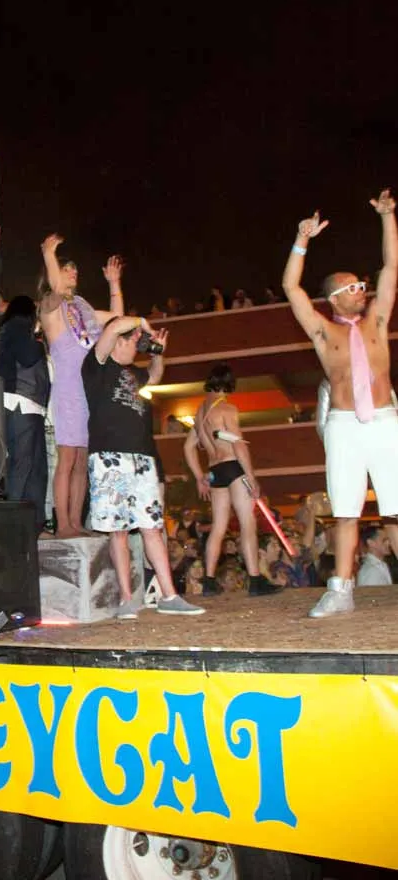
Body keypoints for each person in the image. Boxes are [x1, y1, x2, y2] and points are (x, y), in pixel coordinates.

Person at [282, 189, 398, 617]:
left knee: (396, 509)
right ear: (334, 297)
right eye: (353, 288)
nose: (362, 291)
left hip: (384, 420)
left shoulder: (377, 320)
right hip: (344, 424)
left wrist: (387, 217)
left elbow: (391, 267)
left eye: (362, 286)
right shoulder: (322, 331)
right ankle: (341, 590)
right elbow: (290, 286)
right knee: (346, 510)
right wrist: (302, 240)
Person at [81, 313, 205, 617]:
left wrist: (157, 351)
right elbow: (113, 327)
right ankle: (126, 600)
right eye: (132, 342)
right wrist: (141, 324)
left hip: (142, 458)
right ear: (117, 342)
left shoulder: (133, 373)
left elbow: (156, 374)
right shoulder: (96, 365)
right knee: (119, 531)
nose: (136, 348)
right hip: (109, 458)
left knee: (152, 527)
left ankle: (169, 595)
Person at [38, 234, 124, 539]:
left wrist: (114, 283)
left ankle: (76, 522)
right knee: (67, 458)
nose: (74, 272)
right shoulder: (50, 306)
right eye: (67, 268)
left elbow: (117, 320)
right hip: (67, 390)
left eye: (75, 268)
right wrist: (49, 254)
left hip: (88, 391)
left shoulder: (83, 308)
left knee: (82, 461)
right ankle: (62, 524)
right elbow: (56, 289)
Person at [183, 363, 281, 597]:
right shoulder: (226, 408)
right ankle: (255, 580)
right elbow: (238, 444)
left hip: (215, 470)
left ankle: (208, 581)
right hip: (233, 466)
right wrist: (251, 477)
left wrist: (199, 477)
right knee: (248, 523)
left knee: (218, 527)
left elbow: (188, 447)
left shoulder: (200, 414)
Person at [0, 296, 51, 538]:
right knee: (23, 465)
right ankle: (12, 524)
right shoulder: (17, 326)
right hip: (21, 403)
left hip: (29, 405)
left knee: (35, 468)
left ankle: (33, 525)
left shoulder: (12, 329)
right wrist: (39, 343)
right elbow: (28, 357)